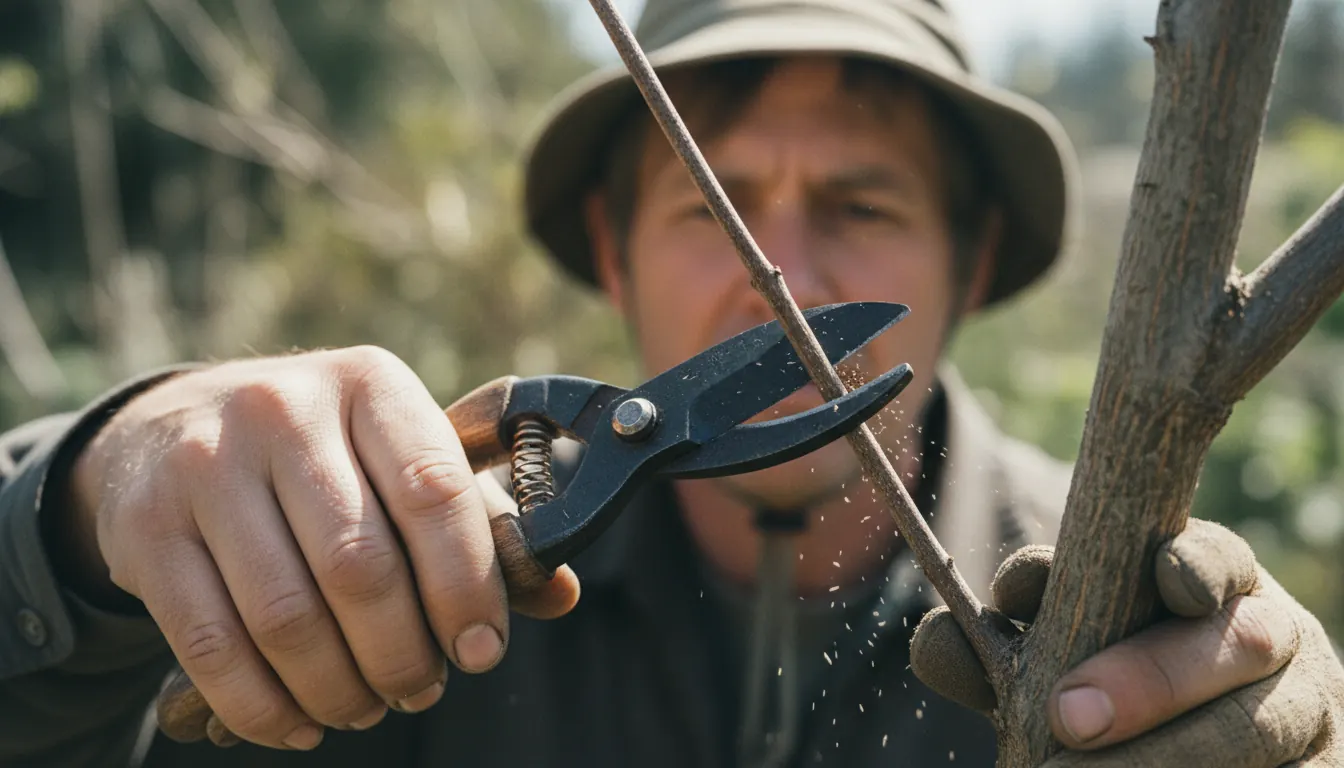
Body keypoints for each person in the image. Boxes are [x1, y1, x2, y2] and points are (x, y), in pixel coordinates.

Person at [2, 0, 1341, 766]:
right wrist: (81, 521)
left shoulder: (1110, 628)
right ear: (611, 252)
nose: (786, 279)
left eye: (862, 202)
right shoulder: (392, 574)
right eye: (719, 207)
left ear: (973, 257)